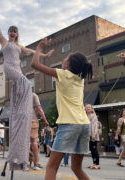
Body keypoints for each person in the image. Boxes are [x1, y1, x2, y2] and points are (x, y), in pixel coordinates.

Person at [0, 6, 53, 171]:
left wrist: (43, 54)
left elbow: (31, 51)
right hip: (10, 70)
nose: (12, 33)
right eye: (10, 31)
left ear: (17, 34)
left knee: (23, 85)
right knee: (26, 82)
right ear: (8, 34)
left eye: (14, 31)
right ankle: (22, 105)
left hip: (17, 74)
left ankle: (20, 109)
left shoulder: (20, 46)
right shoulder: (4, 42)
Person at [31, 38, 93, 180]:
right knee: (76, 168)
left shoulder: (63, 74)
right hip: (84, 125)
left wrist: (39, 49)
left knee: (51, 167)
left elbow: (34, 64)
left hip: (69, 124)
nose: (64, 59)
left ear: (68, 64)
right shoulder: (80, 79)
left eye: (65, 57)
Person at [29, 93, 49, 170]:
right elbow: (39, 109)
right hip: (32, 121)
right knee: (34, 142)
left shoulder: (19, 95)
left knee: (24, 142)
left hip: (21, 122)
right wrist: (45, 120)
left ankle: (25, 163)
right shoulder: (33, 95)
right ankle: (36, 164)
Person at [85, 104, 100, 170]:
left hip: (93, 135)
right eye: (87, 107)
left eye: (89, 107)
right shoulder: (85, 116)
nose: (88, 108)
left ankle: (97, 164)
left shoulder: (93, 116)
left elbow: (95, 125)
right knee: (91, 149)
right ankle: (94, 163)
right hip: (88, 135)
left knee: (94, 149)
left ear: (91, 109)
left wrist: (94, 134)